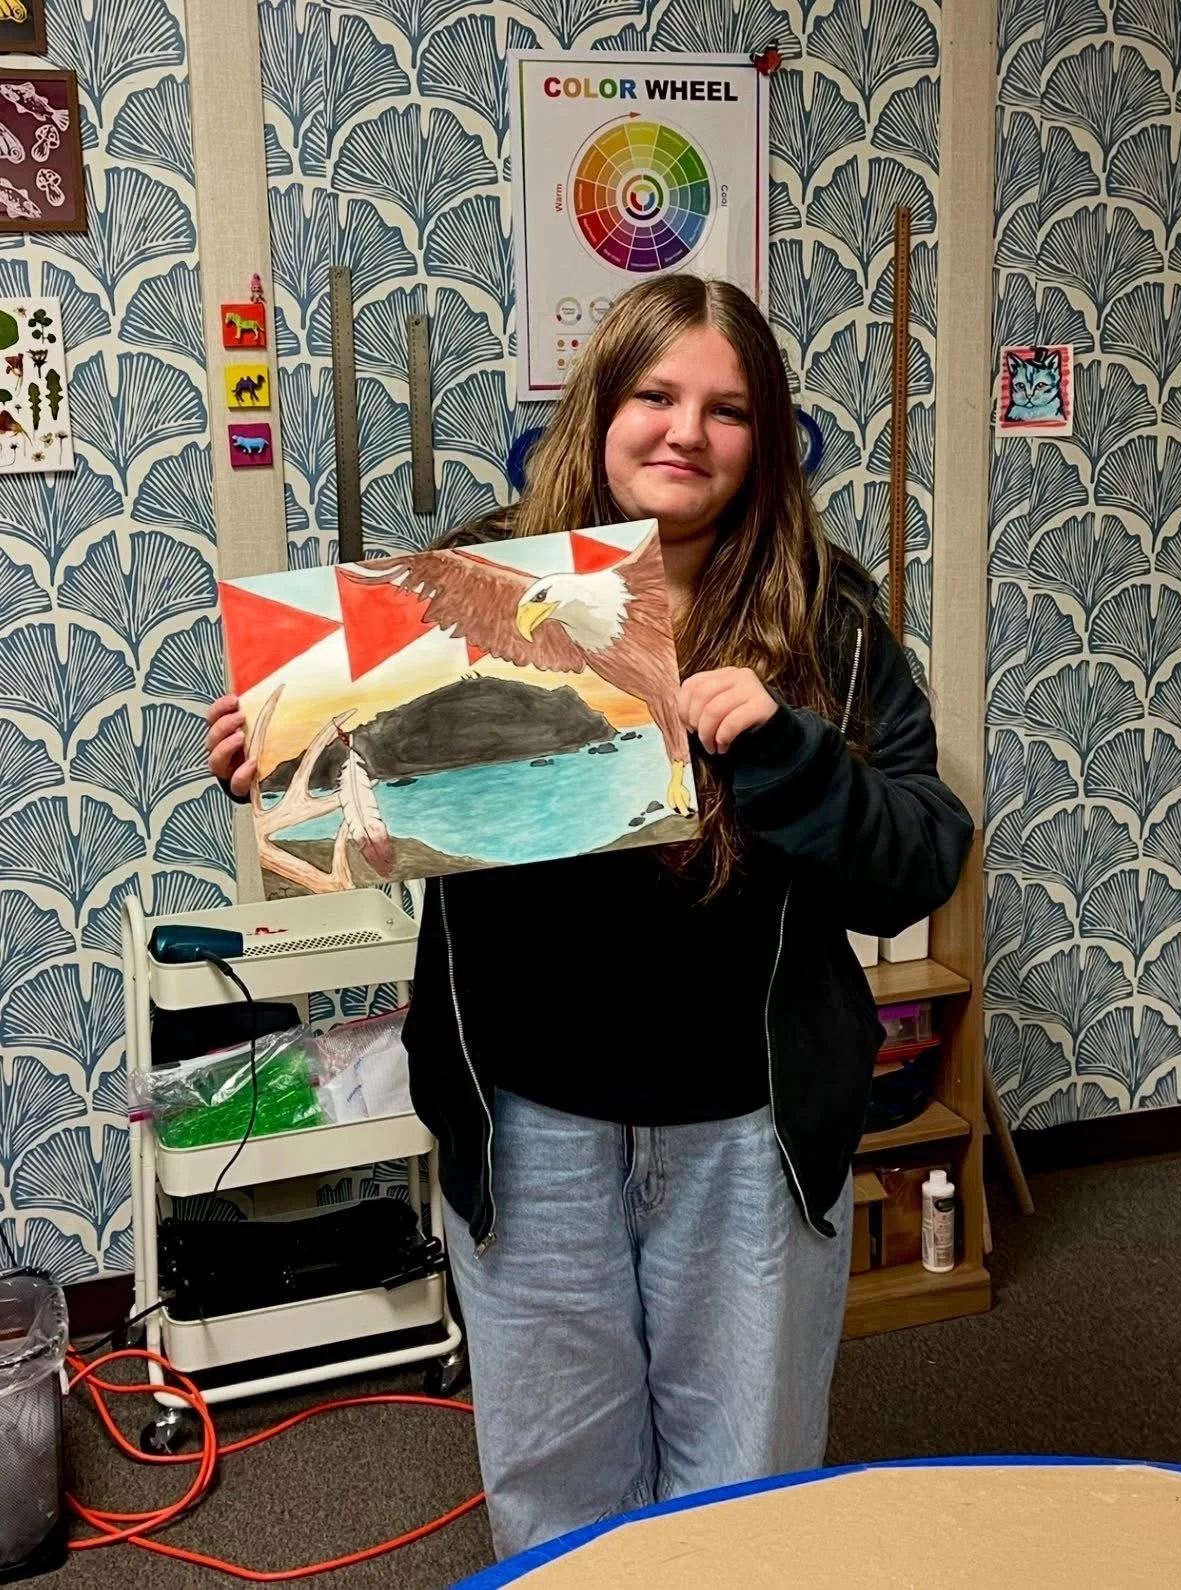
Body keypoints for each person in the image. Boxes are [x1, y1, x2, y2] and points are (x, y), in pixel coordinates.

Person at [205, 274, 973, 1559]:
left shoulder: (822, 613)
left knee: (747, 1487)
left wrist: (790, 753)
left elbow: (919, 860)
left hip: (749, 1129)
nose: (687, 432)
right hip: (529, 1125)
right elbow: (375, 802)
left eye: (728, 410)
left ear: (766, 438)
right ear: (602, 407)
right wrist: (286, 755)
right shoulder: (473, 584)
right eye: (657, 396)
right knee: (559, 1488)